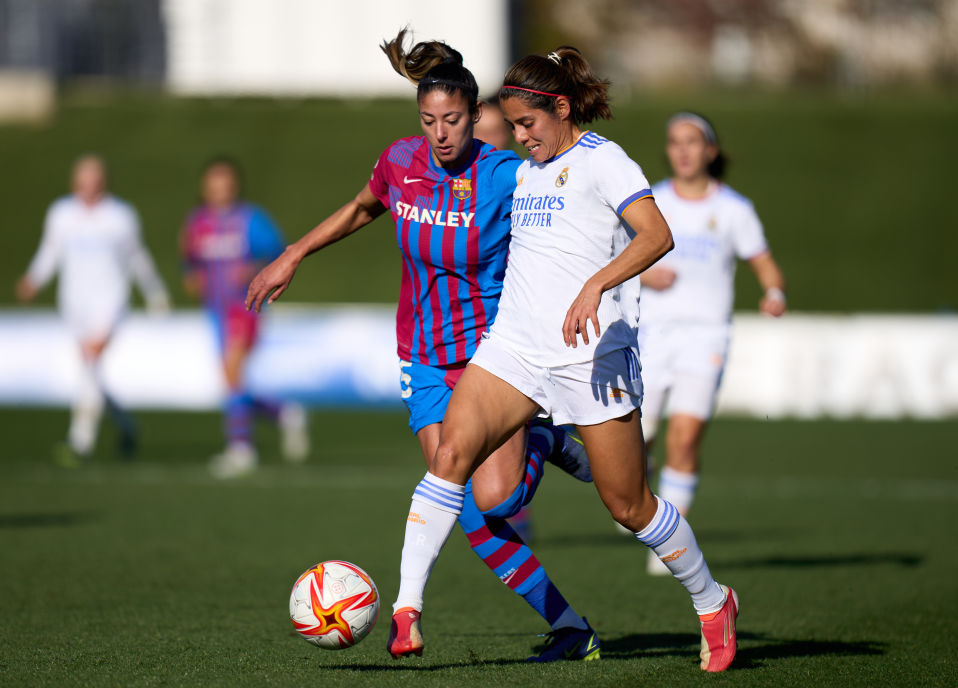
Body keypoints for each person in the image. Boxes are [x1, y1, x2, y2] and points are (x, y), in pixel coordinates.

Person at [385, 47, 740, 672]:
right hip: (515, 348)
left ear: (562, 109)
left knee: (629, 505)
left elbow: (657, 236)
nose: (521, 138)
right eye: (513, 127)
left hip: (590, 357)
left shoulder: (605, 162)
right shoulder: (526, 171)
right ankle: (406, 610)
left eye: (528, 125)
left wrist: (596, 284)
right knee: (451, 458)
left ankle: (712, 601)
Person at [246, 30, 596, 662]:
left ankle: (543, 440)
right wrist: (292, 254)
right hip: (423, 359)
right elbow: (359, 210)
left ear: (475, 116)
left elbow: (566, 225)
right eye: (429, 119)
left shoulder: (507, 176)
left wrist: (613, 275)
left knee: (499, 499)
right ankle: (568, 628)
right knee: (462, 507)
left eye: (453, 120)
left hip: (493, 358)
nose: (440, 132)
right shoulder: (399, 162)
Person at [639, 112, 787, 574]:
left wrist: (774, 293)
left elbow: (763, 261)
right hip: (649, 336)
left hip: (706, 337)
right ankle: (635, 496)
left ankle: (668, 548)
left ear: (710, 151)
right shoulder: (651, 203)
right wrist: (644, 272)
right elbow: (614, 258)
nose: (682, 150)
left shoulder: (733, 209)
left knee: (684, 440)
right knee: (636, 438)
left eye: (692, 141)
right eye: (674, 141)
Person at [16, 154, 170, 465]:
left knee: (91, 363)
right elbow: (51, 251)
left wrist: (155, 292)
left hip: (110, 300)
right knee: (91, 370)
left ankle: (80, 442)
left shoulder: (120, 216)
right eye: (83, 179)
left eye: (95, 178)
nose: (89, 185)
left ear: (104, 181)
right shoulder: (61, 213)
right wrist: (34, 278)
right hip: (75, 303)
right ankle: (126, 425)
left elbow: (137, 257)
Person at [181, 157, 309, 478]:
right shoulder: (197, 223)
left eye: (225, 182)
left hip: (245, 307)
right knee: (231, 380)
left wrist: (253, 269)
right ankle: (284, 414)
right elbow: (189, 262)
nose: (219, 189)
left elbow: (281, 252)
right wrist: (192, 277)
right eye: (213, 183)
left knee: (233, 370)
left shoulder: (251, 220)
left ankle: (241, 448)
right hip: (215, 311)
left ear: (235, 185)